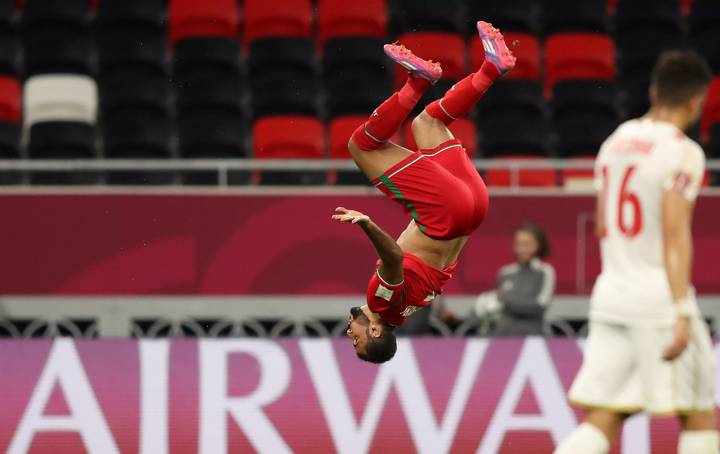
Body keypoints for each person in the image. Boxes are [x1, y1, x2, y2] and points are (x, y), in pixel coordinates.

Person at [554, 51, 717, 454]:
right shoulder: (684, 152)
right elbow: (675, 234)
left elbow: (601, 221)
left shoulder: (615, 142)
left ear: (653, 91)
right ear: (697, 101)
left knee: (605, 417)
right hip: (660, 299)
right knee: (699, 415)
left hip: (611, 295)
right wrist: (681, 310)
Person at [333, 21, 516, 363]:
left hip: (474, 210)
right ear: (374, 332)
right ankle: (418, 81)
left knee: (427, 124)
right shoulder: (381, 304)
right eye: (356, 342)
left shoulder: (405, 312)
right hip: (445, 214)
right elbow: (393, 258)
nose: (350, 336)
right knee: (361, 147)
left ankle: (491, 68)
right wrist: (366, 223)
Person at [493, 223, 555, 336]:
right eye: (519, 244)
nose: (522, 249)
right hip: (502, 339)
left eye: (527, 244)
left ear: (538, 245)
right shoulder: (505, 272)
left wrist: (506, 299)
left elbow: (539, 307)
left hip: (533, 340)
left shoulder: (546, 271)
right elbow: (496, 304)